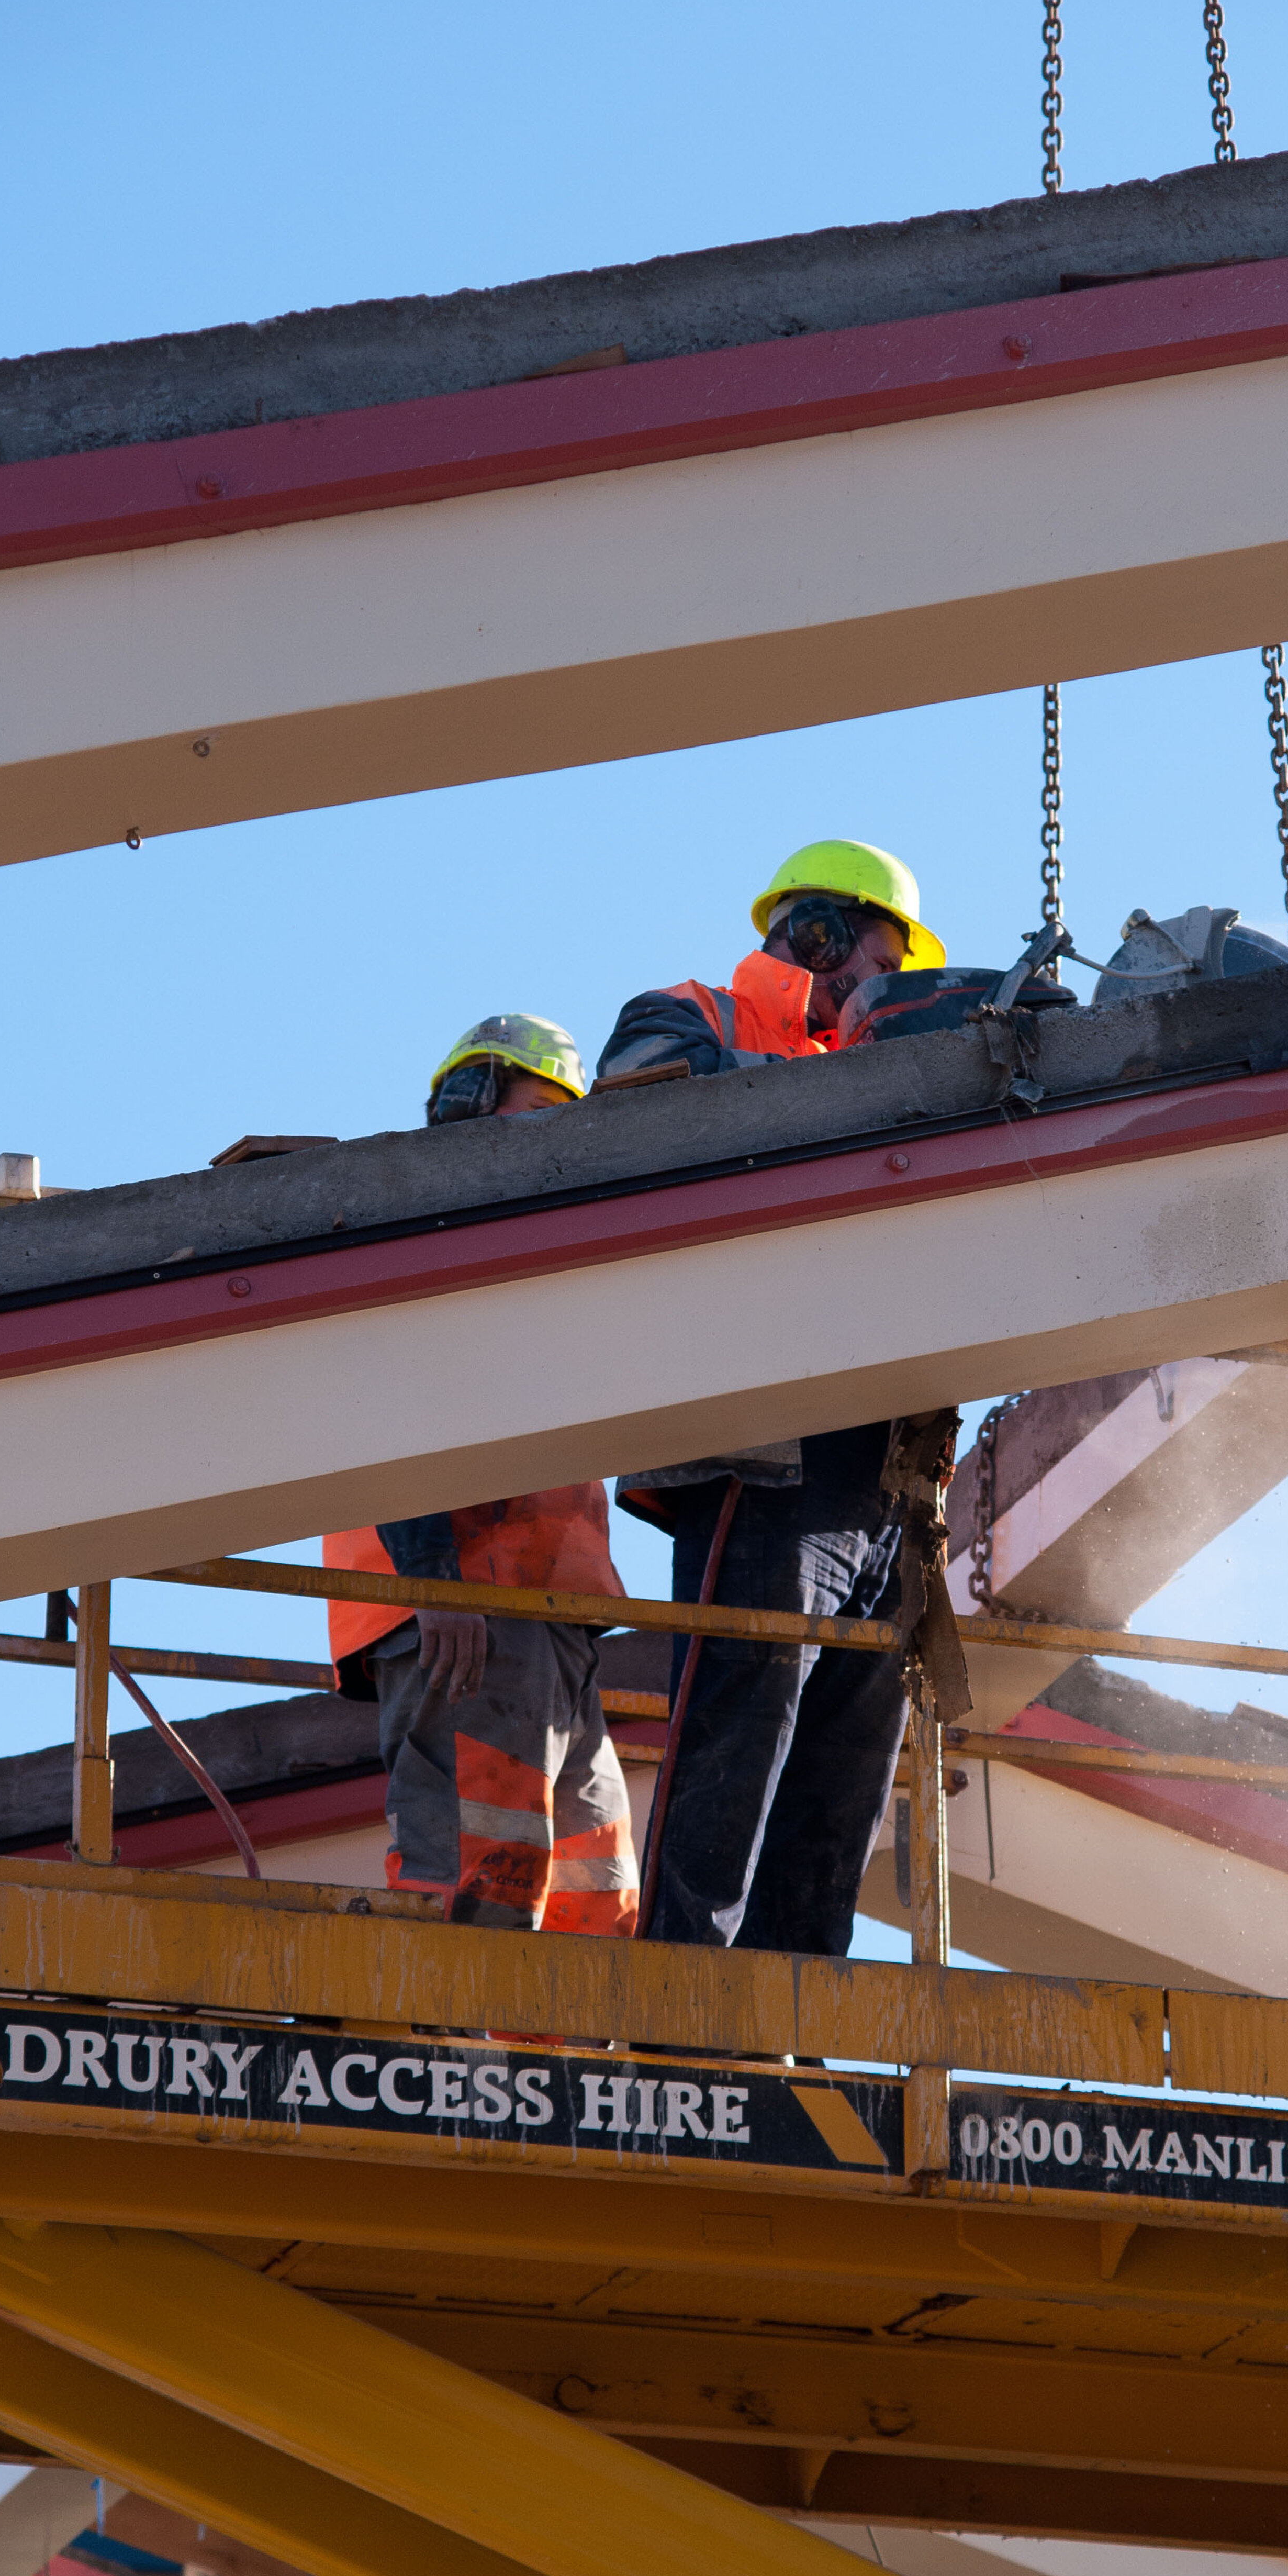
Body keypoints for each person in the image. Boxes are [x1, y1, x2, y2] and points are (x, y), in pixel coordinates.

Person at [599, 845, 952, 1956]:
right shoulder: (684, 1018)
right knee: (736, 1742)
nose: (886, 987)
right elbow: (647, 1145)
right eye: (879, 959)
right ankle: (680, 2018)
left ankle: (785, 2033)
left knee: (839, 1781)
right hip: (761, 1459)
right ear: (812, 935)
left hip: (879, 1483)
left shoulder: (896, 1056)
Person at [326, 1016, 637, 1937]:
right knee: (481, 1867)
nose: (554, 1141)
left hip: (547, 1614)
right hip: (463, 1602)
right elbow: (390, 1407)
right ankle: (449, 2060)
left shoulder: (534, 1252)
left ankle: (571, 2071)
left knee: (592, 1883)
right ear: (471, 1103)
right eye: (539, 1110)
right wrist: (436, 1581)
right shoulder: (423, 1229)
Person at [593, 836, 944, 1080]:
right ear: (820, 935)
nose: (887, 987)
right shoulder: (688, 1009)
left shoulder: (840, 1061)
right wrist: (834, 1083)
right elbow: (639, 1080)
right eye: (883, 966)